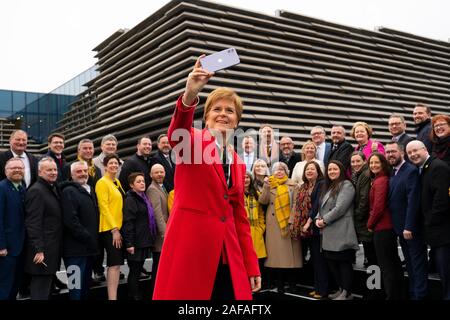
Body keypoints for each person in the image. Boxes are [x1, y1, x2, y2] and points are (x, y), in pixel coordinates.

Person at [153, 56, 260, 300]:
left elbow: (239, 217)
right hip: (191, 251)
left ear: (237, 120)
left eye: (230, 111)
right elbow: (177, 130)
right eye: (217, 109)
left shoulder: (238, 162)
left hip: (227, 257)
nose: (223, 114)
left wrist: (250, 264)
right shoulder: (191, 141)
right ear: (207, 116)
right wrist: (189, 95)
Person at [406, 140, 450, 299]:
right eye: (409, 153)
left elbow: (442, 199)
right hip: (435, 231)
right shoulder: (424, 168)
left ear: (425, 149)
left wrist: (429, 221)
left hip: (442, 231)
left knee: (446, 271)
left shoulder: (438, 167)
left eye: (415, 150)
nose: (412, 155)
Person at [386, 142, 428, 300]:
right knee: (410, 264)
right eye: (388, 152)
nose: (390, 154)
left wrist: (409, 226)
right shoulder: (393, 172)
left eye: (393, 151)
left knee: (417, 264)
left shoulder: (409, 171)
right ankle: (413, 293)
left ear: (401, 153)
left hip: (411, 228)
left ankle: (420, 295)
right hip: (400, 228)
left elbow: (413, 201)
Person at [315, 160, 359, 300]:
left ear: (340, 170)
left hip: (341, 230)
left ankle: (347, 292)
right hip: (328, 231)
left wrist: (324, 220)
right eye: (329, 170)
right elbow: (321, 207)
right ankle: (341, 290)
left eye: (335, 169)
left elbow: (340, 208)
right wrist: (317, 219)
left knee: (343, 263)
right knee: (332, 262)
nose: (332, 172)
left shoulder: (346, 185)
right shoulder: (329, 186)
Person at [259, 162, 301, 293]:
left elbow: (295, 203)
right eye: (276, 170)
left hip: (288, 222)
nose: (279, 172)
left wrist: (292, 220)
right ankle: (280, 284)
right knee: (277, 257)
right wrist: (266, 186)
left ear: (286, 171)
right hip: (273, 224)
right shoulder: (269, 184)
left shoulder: (293, 185)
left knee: (291, 257)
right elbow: (263, 201)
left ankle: (292, 283)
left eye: (282, 169)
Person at [24, 157, 63, 300]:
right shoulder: (37, 191)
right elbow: (33, 223)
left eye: (54, 169)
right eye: (49, 170)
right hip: (42, 252)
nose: (53, 172)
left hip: (51, 248)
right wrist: (39, 249)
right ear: (40, 172)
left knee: (46, 290)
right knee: (40, 291)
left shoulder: (51, 188)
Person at [60, 161, 99, 300]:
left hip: (88, 250)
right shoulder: (68, 191)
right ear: (71, 174)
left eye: (84, 171)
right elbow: (71, 220)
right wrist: (87, 237)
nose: (83, 174)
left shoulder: (90, 189)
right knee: (75, 288)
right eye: (78, 171)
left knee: (85, 289)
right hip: (74, 252)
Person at [367, 152, 403, 300]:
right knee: (392, 263)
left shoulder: (381, 180)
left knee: (387, 266)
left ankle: (391, 296)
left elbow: (378, 207)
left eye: (377, 162)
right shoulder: (378, 179)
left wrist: (370, 224)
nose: (373, 165)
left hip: (382, 228)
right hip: (385, 228)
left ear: (383, 164)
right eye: (371, 163)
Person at [291, 161, 328, 299]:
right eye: (307, 169)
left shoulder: (321, 184)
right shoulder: (304, 186)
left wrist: (307, 223)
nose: (310, 171)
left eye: (313, 169)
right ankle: (317, 287)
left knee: (319, 260)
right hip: (306, 228)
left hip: (316, 226)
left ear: (318, 171)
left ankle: (322, 290)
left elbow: (317, 206)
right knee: (314, 259)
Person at [95, 153, 125, 300]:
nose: (114, 165)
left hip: (118, 227)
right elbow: (103, 207)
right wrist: (114, 229)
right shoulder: (102, 182)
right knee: (113, 265)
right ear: (105, 166)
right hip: (110, 229)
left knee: (117, 264)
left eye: (116, 163)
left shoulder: (116, 182)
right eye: (111, 163)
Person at [122, 172, 156, 300]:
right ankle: (134, 295)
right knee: (135, 271)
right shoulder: (131, 199)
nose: (142, 183)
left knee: (138, 270)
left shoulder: (143, 197)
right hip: (135, 242)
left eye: (143, 181)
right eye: (138, 181)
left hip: (143, 240)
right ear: (131, 185)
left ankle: (135, 293)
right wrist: (129, 243)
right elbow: (128, 222)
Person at [0, 158, 26, 300]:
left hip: (20, 248)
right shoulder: (2, 188)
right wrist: (1, 246)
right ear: (5, 171)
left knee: (15, 286)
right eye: (13, 168)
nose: (17, 170)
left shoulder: (22, 188)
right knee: (4, 286)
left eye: (20, 168)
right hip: (7, 250)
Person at [350, 151, 376, 270]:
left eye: (358, 161)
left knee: (371, 250)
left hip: (364, 217)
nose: (355, 164)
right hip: (362, 216)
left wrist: (357, 215)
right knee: (368, 247)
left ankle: (375, 284)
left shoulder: (365, 174)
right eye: (353, 161)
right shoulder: (357, 174)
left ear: (365, 161)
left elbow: (364, 198)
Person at [146, 164, 170, 295]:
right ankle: (156, 293)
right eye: (156, 172)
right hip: (161, 236)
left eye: (161, 172)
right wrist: (165, 234)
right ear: (151, 175)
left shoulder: (162, 187)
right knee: (158, 266)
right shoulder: (152, 190)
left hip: (164, 232)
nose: (159, 174)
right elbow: (157, 214)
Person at [243, 172, 267, 287]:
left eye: (247, 177)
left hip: (256, 229)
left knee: (257, 259)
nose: (245, 180)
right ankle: (246, 284)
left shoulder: (257, 194)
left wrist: (261, 227)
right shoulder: (236, 194)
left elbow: (262, 213)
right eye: (242, 177)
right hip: (243, 231)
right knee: (244, 259)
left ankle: (257, 284)